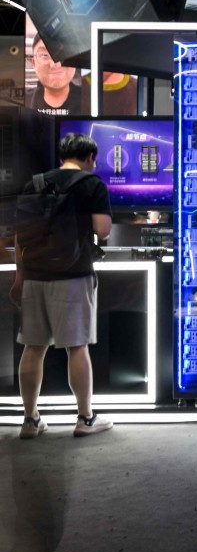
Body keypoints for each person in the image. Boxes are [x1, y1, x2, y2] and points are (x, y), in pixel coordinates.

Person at [11, 133, 114, 439]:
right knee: (77, 347)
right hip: (73, 274)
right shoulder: (92, 184)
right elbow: (103, 230)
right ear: (91, 158)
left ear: (61, 156)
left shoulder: (36, 183)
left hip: (35, 275)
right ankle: (85, 418)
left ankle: (30, 421)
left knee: (33, 347)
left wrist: (19, 278)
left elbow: (19, 236)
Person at [26, 36, 86, 116]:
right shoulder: (21, 102)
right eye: (45, 55)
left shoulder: (93, 101)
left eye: (63, 54)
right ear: (34, 63)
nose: (55, 64)